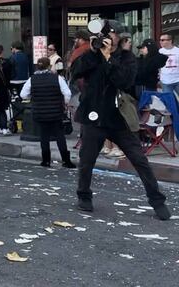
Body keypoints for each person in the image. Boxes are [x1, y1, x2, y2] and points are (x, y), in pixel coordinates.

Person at [71, 22, 171, 220]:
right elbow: (75, 72)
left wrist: (108, 59)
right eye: (107, 34)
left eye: (113, 35)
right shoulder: (93, 55)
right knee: (87, 160)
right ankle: (84, 196)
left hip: (118, 117)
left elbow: (124, 81)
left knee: (139, 159)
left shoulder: (127, 58)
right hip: (94, 115)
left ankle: (157, 200)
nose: (109, 38)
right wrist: (92, 52)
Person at [21, 57, 75, 168]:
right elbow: (67, 93)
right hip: (56, 112)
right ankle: (66, 160)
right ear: (49, 66)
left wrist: (33, 96)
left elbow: (23, 94)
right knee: (60, 136)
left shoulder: (32, 79)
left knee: (44, 137)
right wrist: (64, 103)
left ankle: (46, 160)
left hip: (40, 112)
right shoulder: (57, 78)